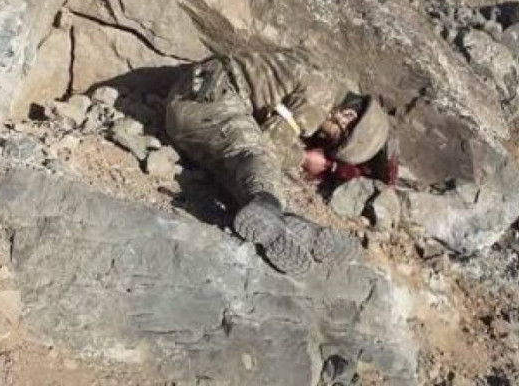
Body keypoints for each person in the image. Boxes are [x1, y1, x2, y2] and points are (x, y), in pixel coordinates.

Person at [165, 48, 390, 275]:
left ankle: (288, 225)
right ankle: (270, 208)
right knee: (256, 156)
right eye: (335, 138)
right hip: (205, 105)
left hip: (195, 113)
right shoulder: (321, 97)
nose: (324, 138)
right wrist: (303, 158)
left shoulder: (320, 79)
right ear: (348, 116)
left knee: (240, 175)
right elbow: (270, 146)